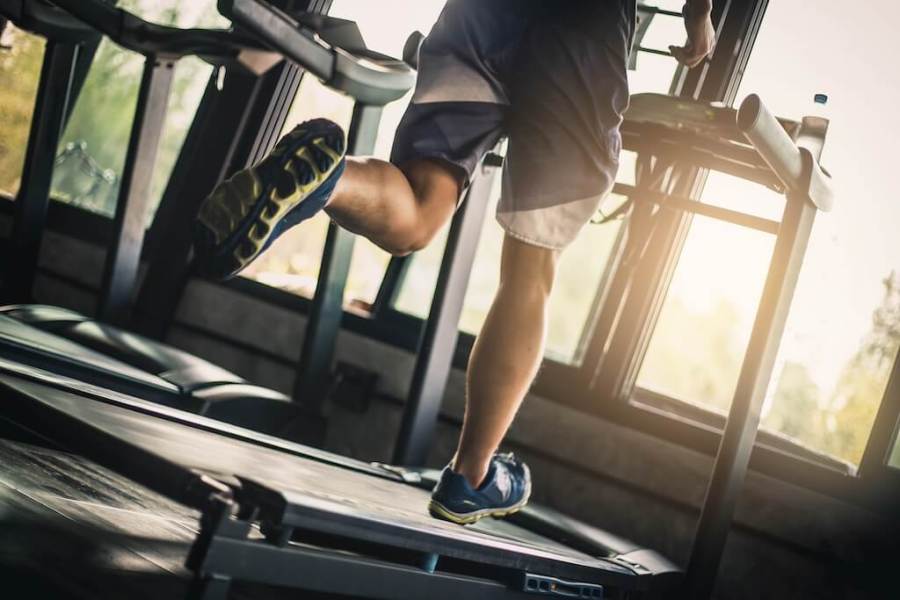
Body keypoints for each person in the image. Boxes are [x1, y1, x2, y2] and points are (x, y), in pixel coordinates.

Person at [193, 0, 714, 525]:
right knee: (530, 275)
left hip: (479, 16)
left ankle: (332, 180)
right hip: (583, 35)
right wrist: (700, 14)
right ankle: (472, 474)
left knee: (417, 213)